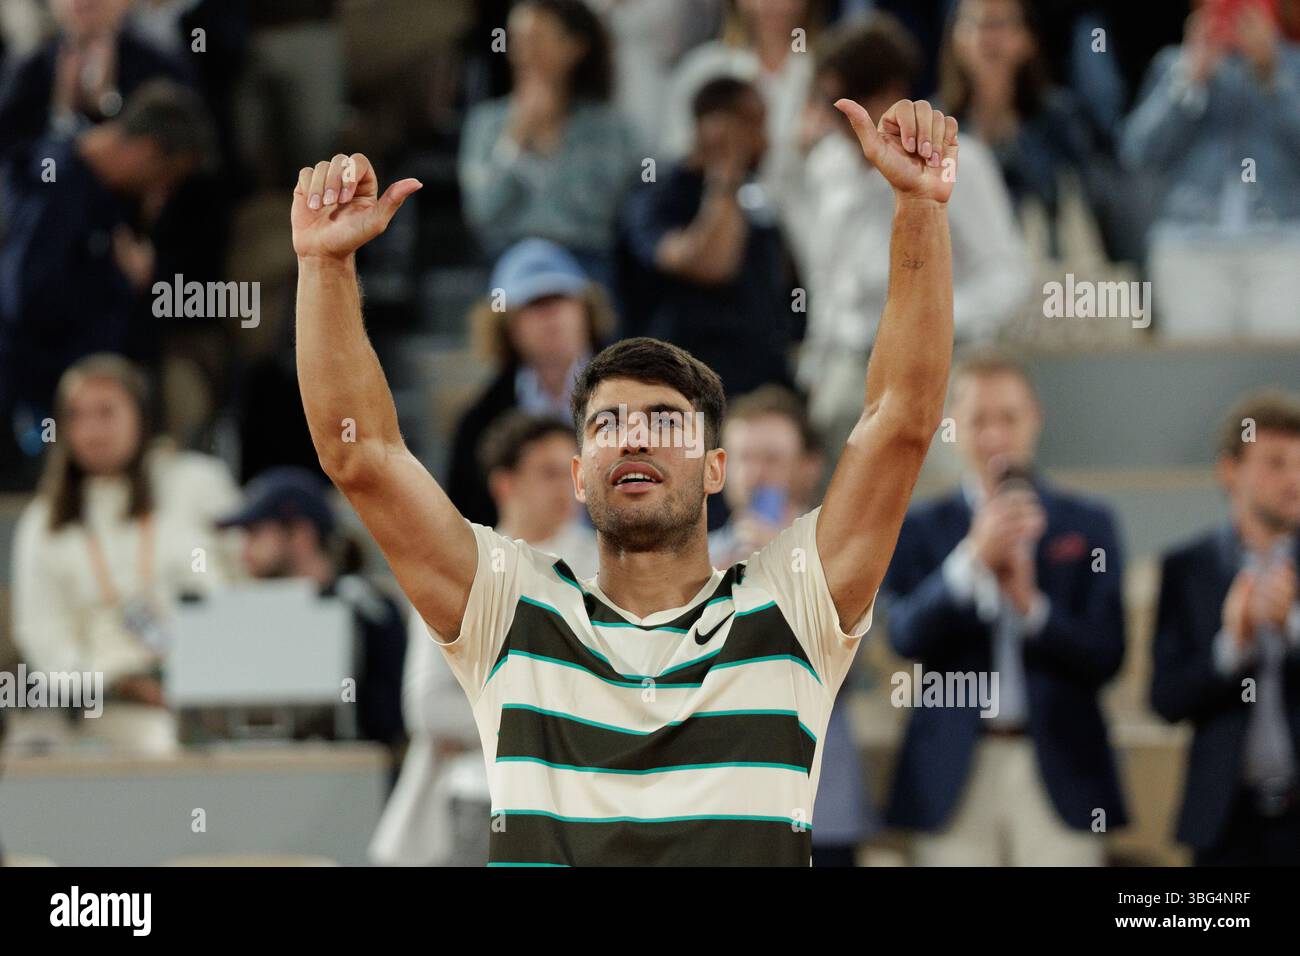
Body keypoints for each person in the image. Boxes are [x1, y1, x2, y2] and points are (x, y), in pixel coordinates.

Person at [291, 88, 959, 865]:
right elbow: (359, 454)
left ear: (717, 469)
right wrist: (324, 263)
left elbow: (903, 422)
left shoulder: (793, 603)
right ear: (579, 476)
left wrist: (919, 206)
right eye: (607, 423)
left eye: (665, 420)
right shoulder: (513, 608)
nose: (634, 435)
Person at [882, 350, 1128, 865]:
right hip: (952, 772)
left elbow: (1108, 655)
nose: (995, 435)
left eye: (1009, 418)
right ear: (951, 428)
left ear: (1036, 418)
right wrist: (970, 562)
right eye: (978, 420)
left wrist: (1031, 606)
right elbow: (902, 636)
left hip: (1062, 767)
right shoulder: (918, 527)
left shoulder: (1088, 524)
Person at [791, 13, 1029, 452]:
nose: (834, 121)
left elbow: (1007, 277)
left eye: (846, 104)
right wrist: (816, 366)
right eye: (828, 103)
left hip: (939, 365)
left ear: (890, 94)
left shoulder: (962, 163)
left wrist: (925, 324)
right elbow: (825, 281)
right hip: (847, 368)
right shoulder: (826, 167)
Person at [370, 412, 597, 867]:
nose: (565, 487)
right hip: (463, 810)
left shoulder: (607, 569)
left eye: (572, 471)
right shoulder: (460, 565)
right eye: (548, 473)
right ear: (505, 484)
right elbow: (429, 708)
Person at [10, 353, 241, 755]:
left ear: (141, 413)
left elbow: (238, 586)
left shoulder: (195, 484)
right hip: (100, 702)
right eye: (77, 415)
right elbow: (42, 638)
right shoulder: (43, 523)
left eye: (107, 412)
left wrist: (189, 674)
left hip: (207, 687)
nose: (92, 429)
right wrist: (113, 684)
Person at [707, 385, 877, 865]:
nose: (758, 471)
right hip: (714, 808)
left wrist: (789, 570)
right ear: (720, 467)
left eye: (773, 458)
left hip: (817, 807)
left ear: (808, 466)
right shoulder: (690, 563)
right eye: (745, 457)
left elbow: (848, 667)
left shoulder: (841, 557)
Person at [0, 79, 217, 451]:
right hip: (39, 408)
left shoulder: (110, 194)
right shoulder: (55, 188)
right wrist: (120, 282)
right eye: (168, 178)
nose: (164, 192)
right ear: (148, 151)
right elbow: (28, 302)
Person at [1151, 389, 1300, 865]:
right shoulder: (1186, 568)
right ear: (1230, 470)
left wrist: (1291, 625)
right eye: (1276, 463)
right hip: (1222, 823)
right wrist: (1231, 645)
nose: (1295, 479)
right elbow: (1165, 699)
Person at [1120, 0, 1300, 340]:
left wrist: (1273, 77)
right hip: (1190, 242)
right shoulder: (1172, 65)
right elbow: (1137, 153)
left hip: (1283, 240)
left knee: (1283, 363)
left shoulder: (1292, 65)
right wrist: (1190, 79)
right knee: (1196, 366)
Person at [617, 76, 795, 397]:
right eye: (754, 125)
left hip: (763, 378)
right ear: (713, 127)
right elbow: (712, 264)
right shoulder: (656, 192)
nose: (765, 141)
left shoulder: (755, 193)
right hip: (686, 386)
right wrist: (724, 175)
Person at [214, 466, 407, 755]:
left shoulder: (369, 611)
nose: (244, 552)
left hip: (355, 781)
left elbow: (387, 725)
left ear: (300, 535)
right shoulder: (251, 620)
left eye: (254, 534)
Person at [458, 0, 640, 285]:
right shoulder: (486, 123)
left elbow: (600, 211)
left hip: (586, 261)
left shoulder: (610, 128)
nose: (523, 52)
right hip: (510, 261)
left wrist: (549, 140)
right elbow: (483, 213)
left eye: (537, 39)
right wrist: (515, 140)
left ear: (575, 48)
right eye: (516, 39)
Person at [446, 237, 613, 528]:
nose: (551, 315)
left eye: (560, 297)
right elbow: (467, 524)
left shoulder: (639, 395)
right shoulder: (479, 425)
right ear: (507, 327)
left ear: (586, 309)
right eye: (534, 303)